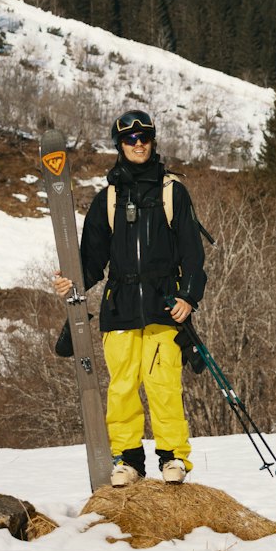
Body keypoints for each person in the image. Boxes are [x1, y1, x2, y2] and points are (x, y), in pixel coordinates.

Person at [53, 107, 206, 486]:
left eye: (144, 137)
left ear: (153, 141)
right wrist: (71, 283)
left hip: (163, 306)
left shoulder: (173, 193)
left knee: (163, 386)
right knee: (122, 388)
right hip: (119, 307)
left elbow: (192, 252)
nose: (138, 144)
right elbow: (91, 261)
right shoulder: (108, 199)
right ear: (120, 145)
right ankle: (127, 460)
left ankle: (173, 458)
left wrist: (188, 295)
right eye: (129, 139)